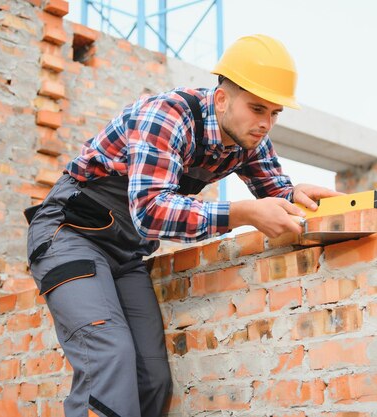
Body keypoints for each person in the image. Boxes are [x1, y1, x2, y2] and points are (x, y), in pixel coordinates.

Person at [25, 34, 341, 417]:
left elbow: (275, 192)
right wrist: (242, 213)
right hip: (69, 235)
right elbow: (151, 211)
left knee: (152, 378)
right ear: (222, 98)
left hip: (127, 254)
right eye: (258, 108)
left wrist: (295, 196)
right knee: (109, 355)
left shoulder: (250, 139)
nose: (266, 124)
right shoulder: (167, 115)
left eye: (275, 113)